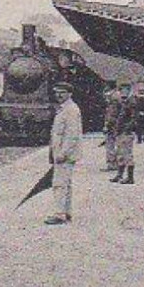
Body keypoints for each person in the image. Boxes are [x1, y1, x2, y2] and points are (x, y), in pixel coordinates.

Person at [45, 80, 83, 226]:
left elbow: (72, 134)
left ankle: (59, 214)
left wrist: (63, 153)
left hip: (64, 154)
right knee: (65, 183)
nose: (59, 95)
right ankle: (66, 212)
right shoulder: (65, 108)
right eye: (57, 92)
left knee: (59, 184)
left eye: (62, 92)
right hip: (61, 152)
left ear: (70, 94)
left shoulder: (71, 110)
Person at [110, 82, 138, 184]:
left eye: (124, 89)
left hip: (126, 131)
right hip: (120, 130)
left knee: (127, 154)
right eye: (121, 90)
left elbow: (133, 118)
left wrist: (127, 128)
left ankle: (130, 177)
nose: (122, 92)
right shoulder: (123, 101)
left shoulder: (131, 102)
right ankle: (120, 175)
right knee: (120, 153)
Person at [102, 82, 120, 171]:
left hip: (112, 123)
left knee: (110, 144)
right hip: (117, 123)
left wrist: (107, 124)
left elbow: (111, 112)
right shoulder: (118, 96)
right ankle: (116, 163)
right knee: (116, 143)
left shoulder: (112, 97)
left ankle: (112, 164)